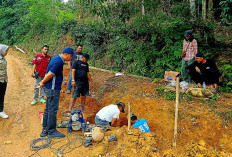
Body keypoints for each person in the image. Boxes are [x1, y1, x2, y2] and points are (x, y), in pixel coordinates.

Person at [38, 47, 73, 139]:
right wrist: (42, 82)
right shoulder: (59, 62)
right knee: (52, 110)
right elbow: (50, 74)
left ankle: (45, 130)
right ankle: (51, 131)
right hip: (53, 90)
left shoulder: (56, 59)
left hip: (50, 89)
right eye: (71, 56)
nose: (71, 59)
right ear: (67, 55)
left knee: (48, 109)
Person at [0, 44, 9, 119]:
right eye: (5, 50)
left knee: (2, 95)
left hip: (4, 80)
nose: (6, 52)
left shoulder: (3, 58)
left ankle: (1, 111)